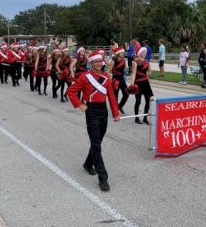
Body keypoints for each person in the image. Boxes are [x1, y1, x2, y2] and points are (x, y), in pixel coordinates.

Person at [66, 51, 120, 192]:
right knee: (96, 145)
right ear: (90, 63)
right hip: (91, 112)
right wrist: (81, 104)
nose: (98, 63)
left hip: (103, 111)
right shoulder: (85, 77)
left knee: (97, 142)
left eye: (100, 61)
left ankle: (88, 164)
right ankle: (103, 178)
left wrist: (115, 113)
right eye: (95, 61)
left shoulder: (106, 77)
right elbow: (71, 92)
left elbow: (112, 97)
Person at [130, 47, 154, 124]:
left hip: (146, 83)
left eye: (145, 52)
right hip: (138, 84)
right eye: (143, 52)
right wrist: (132, 85)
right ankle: (136, 118)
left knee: (148, 101)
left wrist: (148, 73)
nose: (144, 53)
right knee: (138, 101)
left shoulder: (147, 62)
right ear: (139, 53)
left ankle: (145, 118)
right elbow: (133, 74)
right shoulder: (135, 62)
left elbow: (149, 71)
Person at [108, 46, 128, 114]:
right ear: (119, 53)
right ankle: (115, 109)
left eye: (123, 52)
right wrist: (109, 80)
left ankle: (120, 106)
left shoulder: (124, 60)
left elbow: (125, 69)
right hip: (115, 79)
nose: (123, 53)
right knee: (115, 95)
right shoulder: (113, 61)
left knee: (126, 94)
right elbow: (108, 71)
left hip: (122, 79)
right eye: (122, 52)